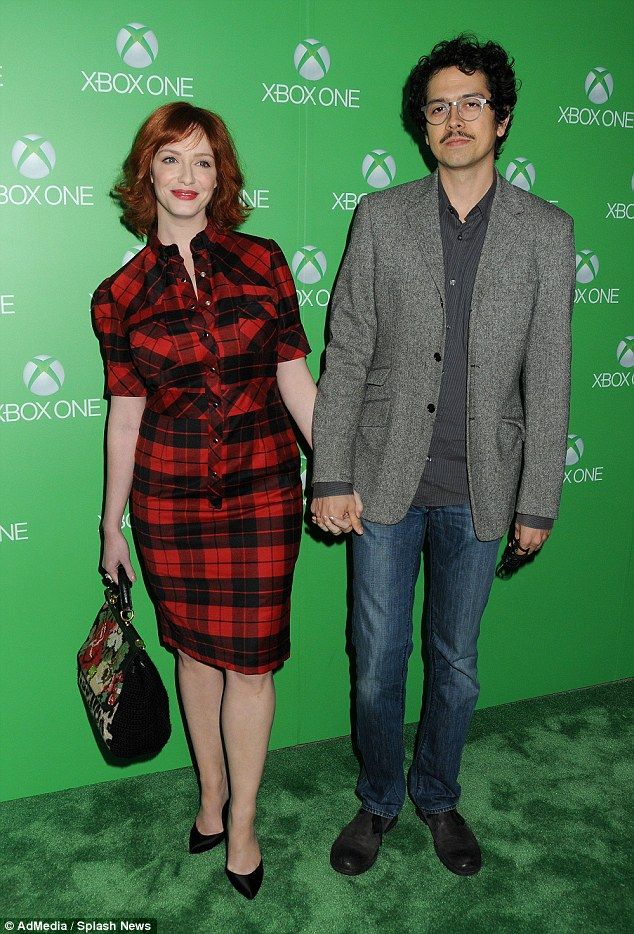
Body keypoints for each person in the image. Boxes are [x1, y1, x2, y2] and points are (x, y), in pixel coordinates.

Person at [311, 35, 575, 877]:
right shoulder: (381, 217)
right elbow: (346, 352)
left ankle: (438, 794)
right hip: (382, 482)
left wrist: (540, 500)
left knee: (455, 669)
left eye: (470, 103)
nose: (454, 119)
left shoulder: (547, 230)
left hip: (482, 487)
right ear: (420, 126)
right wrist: (333, 475)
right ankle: (380, 799)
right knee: (374, 665)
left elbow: (552, 370)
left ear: (501, 117)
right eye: (437, 106)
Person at [92, 102, 315, 900]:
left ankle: (244, 821)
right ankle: (210, 797)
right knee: (193, 653)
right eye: (172, 160)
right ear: (145, 173)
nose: (189, 178)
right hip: (169, 502)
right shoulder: (116, 295)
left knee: (250, 666)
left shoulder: (264, 262)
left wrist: (334, 472)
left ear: (221, 178)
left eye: (204, 163)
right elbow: (126, 413)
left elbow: (294, 377)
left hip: (260, 490)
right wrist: (110, 522)